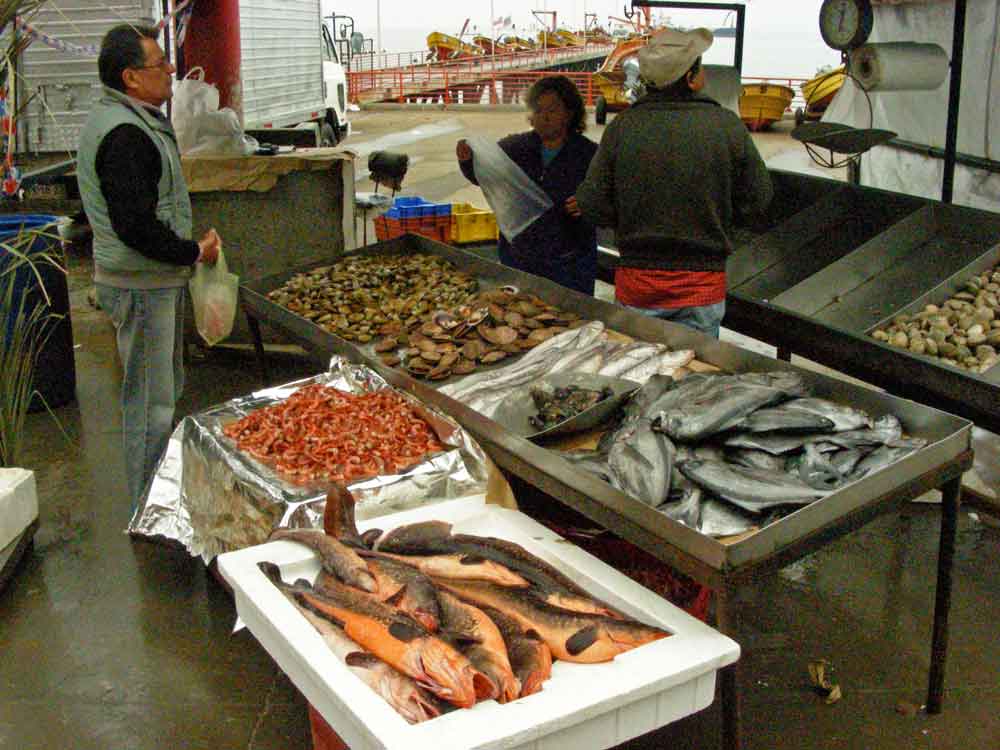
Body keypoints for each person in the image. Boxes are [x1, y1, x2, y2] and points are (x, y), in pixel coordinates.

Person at [76, 24, 222, 513]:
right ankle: (147, 510)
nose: (170, 71)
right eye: (160, 64)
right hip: (139, 287)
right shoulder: (124, 135)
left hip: (147, 284)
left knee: (161, 394)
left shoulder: (130, 121)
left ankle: (155, 497)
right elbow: (136, 226)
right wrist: (193, 252)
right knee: (149, 406)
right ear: (131, 78)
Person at [576, 28, 773, 338]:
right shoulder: (726, 126)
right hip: (702, 285)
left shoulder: (623, 127)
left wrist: (625, 221)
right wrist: (721, 225)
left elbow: (591, 203)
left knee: (634, 373)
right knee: (695, 378)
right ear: (692, 78)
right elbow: (759, 198)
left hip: (637, 282)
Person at [456, 75, 599, 295]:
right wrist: (467, 161)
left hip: (571, 263)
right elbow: (483, 177)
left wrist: (589, 202)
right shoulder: (514, 148)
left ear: (570, 114)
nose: (544, 117)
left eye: (552, 110)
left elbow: (611, 196)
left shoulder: (590, 154)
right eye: (538, 110)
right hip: (519, 259)